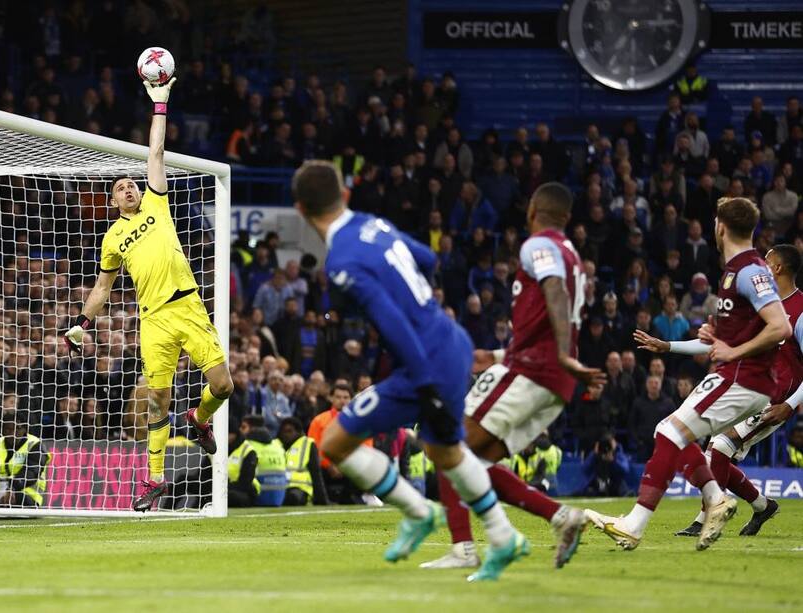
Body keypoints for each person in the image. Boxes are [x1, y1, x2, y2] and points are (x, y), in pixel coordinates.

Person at [292, 160, 527, 582]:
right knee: (446, 451)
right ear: (345, 195)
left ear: (300, 210)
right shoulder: (373, 224)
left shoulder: (342, 260)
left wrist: (424, 381)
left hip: (426, 360)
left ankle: (419, 513)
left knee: (335, 440)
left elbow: (392, 322)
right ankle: (503, 536)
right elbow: (427, 259)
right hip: (451, 341)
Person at [62, 77, 234, 512]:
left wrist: (160, 102)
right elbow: (103, 287)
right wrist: (83, 324)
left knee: (223, 385)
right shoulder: (113, 238)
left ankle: (199, 418)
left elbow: (155, 152)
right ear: (113, 200)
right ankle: (154, 478)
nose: (129, 188)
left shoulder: (157, 203)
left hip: (188, 305)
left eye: (131, 184)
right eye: (120, 187)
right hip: (153, 319)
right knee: (158, 400)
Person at [588, 197, 791, 551]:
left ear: (721, 227)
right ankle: (715, 499)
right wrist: (718, 339)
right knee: (670, 432)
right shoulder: (738, 269)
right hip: (741, 375)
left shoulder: (750, 270)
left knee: (669, 432)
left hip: (743, 377)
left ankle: (635, 524)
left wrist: (733, 350)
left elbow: (781, 326)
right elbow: (753, 329)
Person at [459, 182, 605, 569]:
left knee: (449, 443)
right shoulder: (571, 253)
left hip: (533, 368)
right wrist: (493, 354)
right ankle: (560, 517)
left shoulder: (537, 246)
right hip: (553, 378)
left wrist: (558, 353)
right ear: (568, 217)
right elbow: (546, 314)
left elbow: (553, 291)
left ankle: (463, 549)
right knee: (477, 464)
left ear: (532, 210)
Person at [641, 244, 802, 538]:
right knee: (715, 451)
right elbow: (717, 343)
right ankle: (761, 505)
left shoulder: (800, 310)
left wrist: (790, 405)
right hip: (745, 389)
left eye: (767, 261)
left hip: (774, 399)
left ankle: (706, 518)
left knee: (720, 447)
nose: (761, 265)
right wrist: (669, 346)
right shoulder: (759, 305)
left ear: (778, 268)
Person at [0, 408, 52, 508]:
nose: (12, 433)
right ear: (2, 430)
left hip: (28, 495)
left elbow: (31, 472)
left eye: (17, 428)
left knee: (19, 498)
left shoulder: (35, 444)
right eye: (8, 429)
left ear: (25, 429)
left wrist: (12, 489)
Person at [278, 417, 328, 506]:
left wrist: (323, 500)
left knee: (292, 497)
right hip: (278, 488)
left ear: (298, 432)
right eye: (284, 432)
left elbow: (316, 474)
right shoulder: (276, 445)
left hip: (299, 489)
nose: (286, 435)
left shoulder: (307, 444)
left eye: (289, 431)